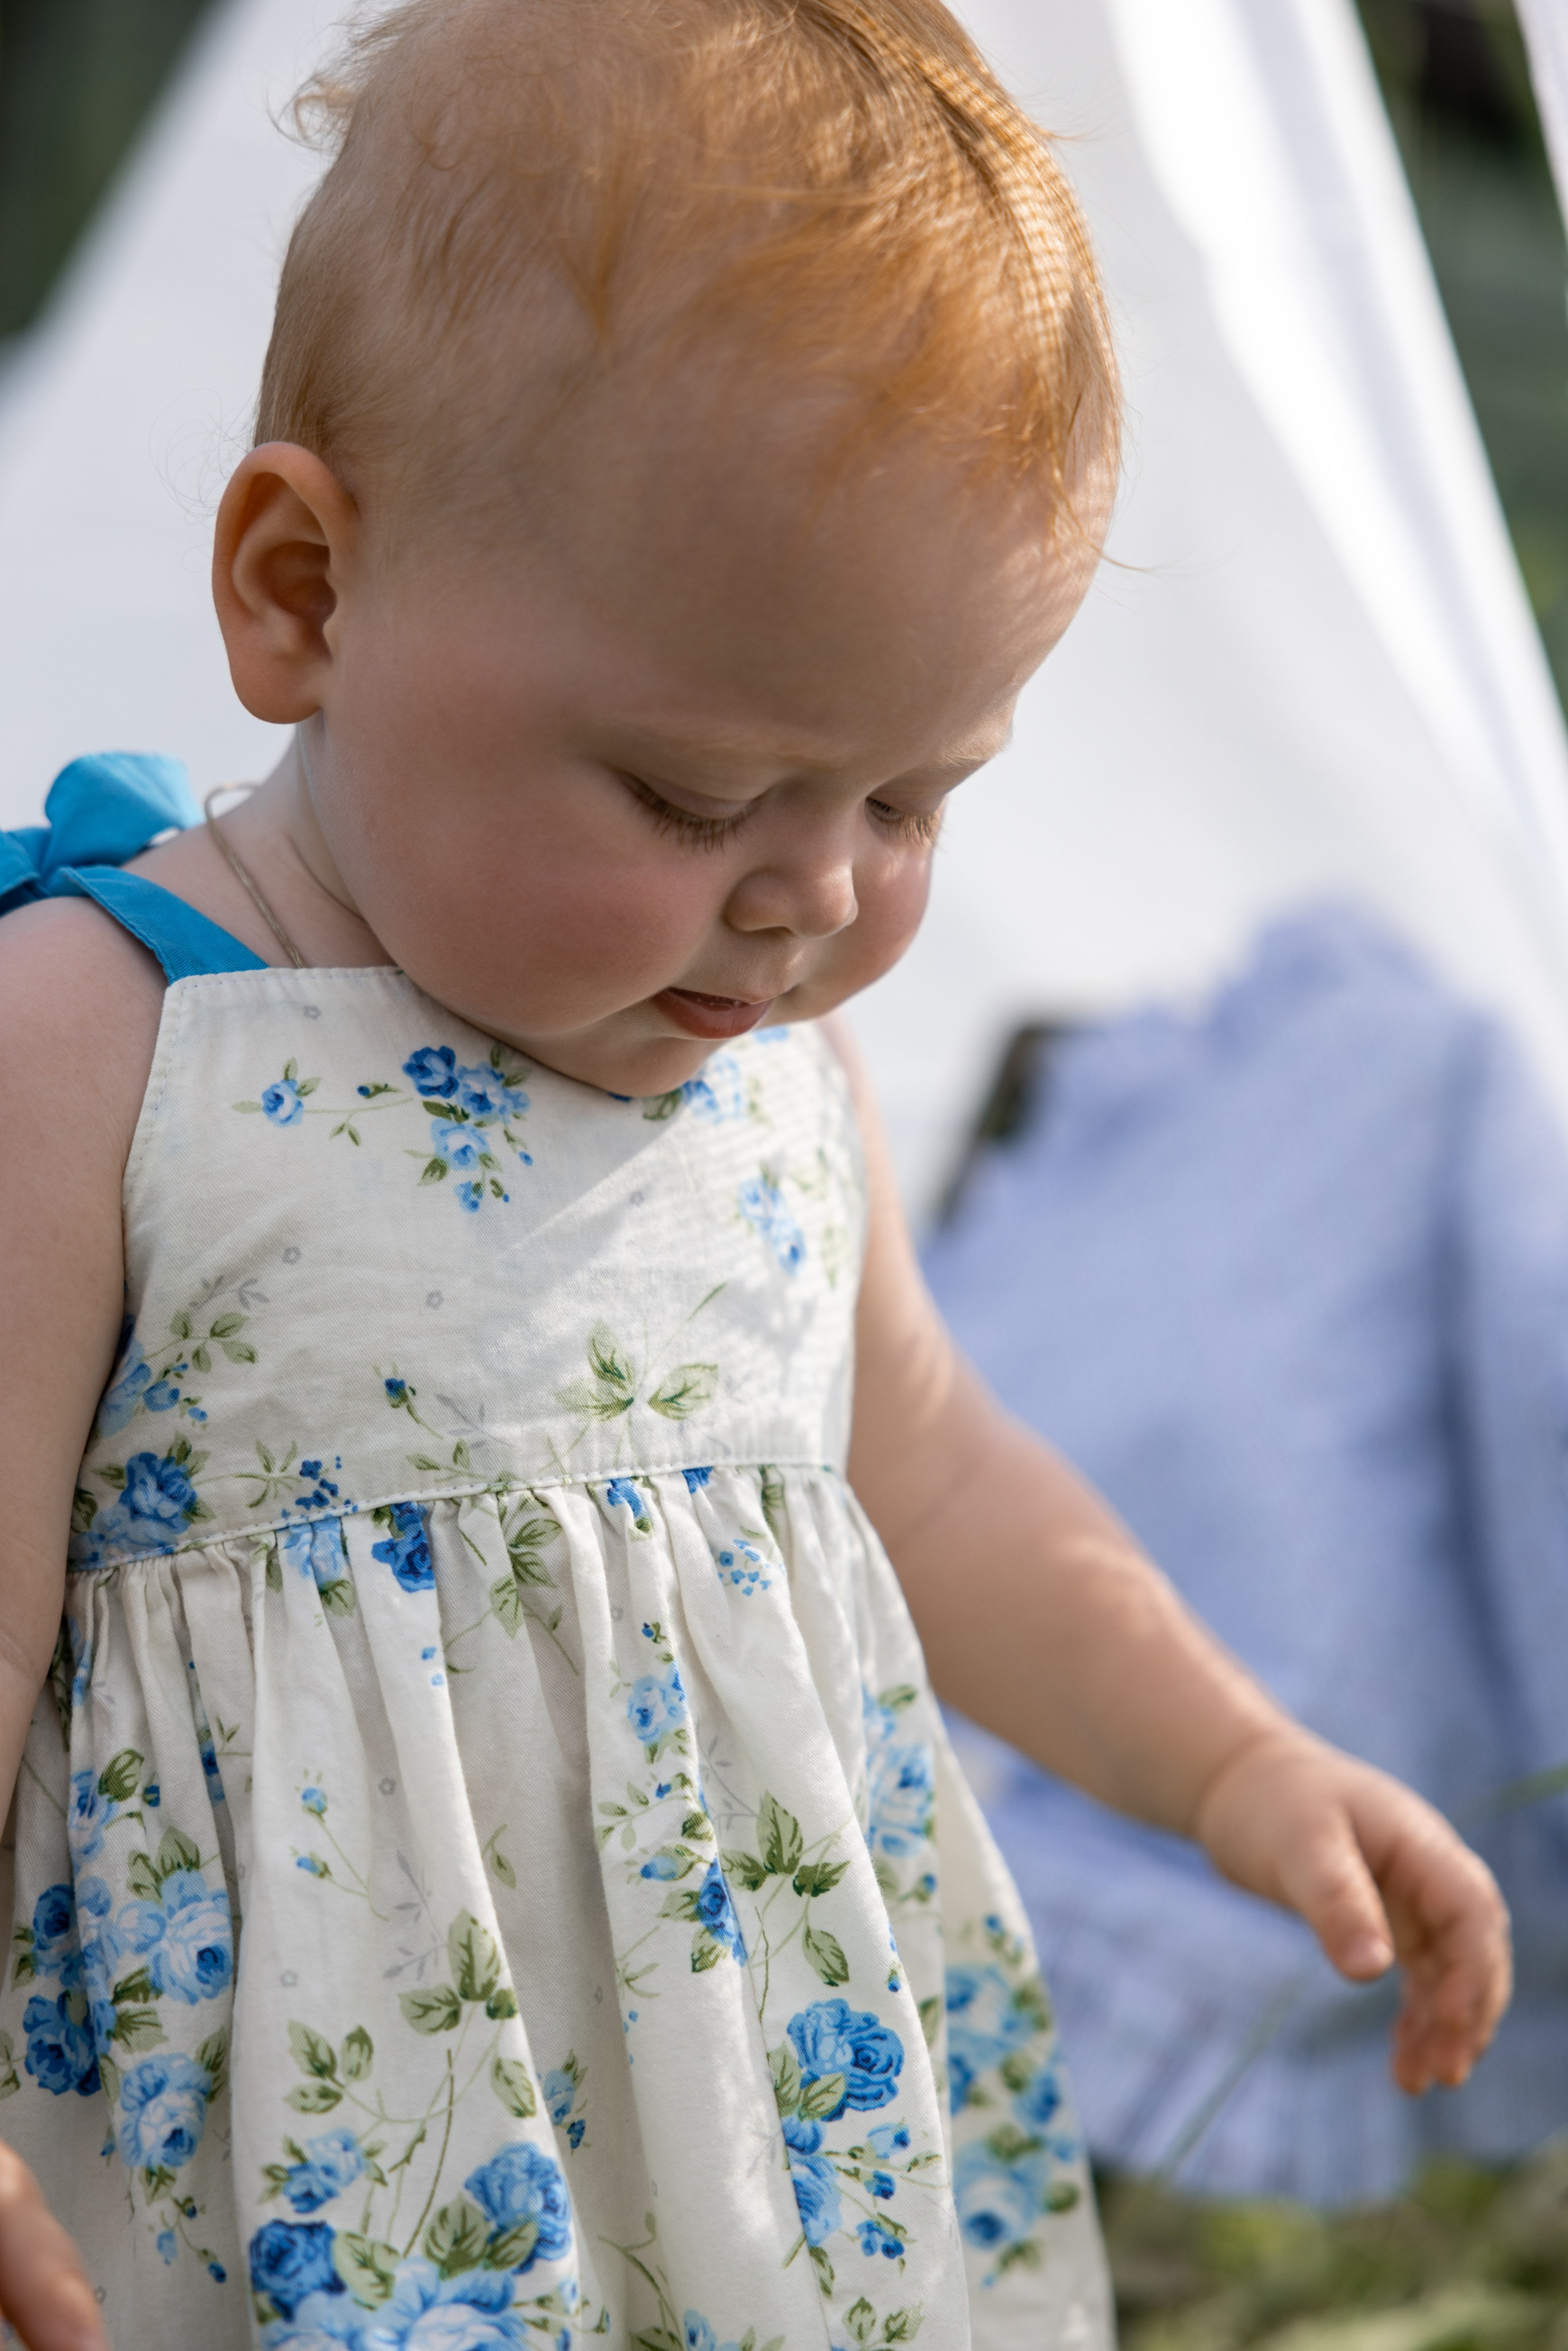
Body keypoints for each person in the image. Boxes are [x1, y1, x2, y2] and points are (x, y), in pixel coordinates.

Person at [0, 2, 1509, 2345]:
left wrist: (1231, 1757)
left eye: (914, 800)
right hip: (286, 2164)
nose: (815, 900)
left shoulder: (780, 1086)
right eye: (701, 798)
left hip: (732, 2139)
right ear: (305, 593)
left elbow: (947, 1478)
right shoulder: (110, 1038)